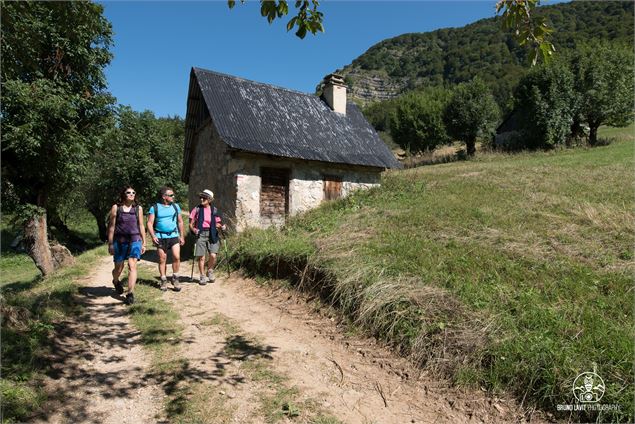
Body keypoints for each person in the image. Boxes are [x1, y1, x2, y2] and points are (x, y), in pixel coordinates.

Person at [107, 186, 146, 305]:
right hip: (119, 241)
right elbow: (112, 226)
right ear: (123, 194)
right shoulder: (116, 208)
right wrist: (110, 244)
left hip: (135, 240)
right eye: (128, 192)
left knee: (132, 265)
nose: (131, 194)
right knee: (119, 267)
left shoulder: (138, 208)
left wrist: (144, 242)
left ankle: (130, 293)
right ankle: (115, 280)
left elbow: (141, 225)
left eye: (133, 192)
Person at [147, 186, 185, 292]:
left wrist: (181, 236)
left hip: (173, 235)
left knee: (176, 257)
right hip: (160, 236)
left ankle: (175, 278)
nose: (173, 196)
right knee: (162, 259)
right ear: (164, 197)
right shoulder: (155, 207)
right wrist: (153, 236)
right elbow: (149, 223)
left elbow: (180, 222)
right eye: (171, 195)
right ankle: (163, 279)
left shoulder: (176, 206)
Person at [189, 189, 226, 285]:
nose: (201, 199)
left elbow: (217, 222)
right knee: (201, 257)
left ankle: (209, 270)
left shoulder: (214, 210)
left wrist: (222, 226)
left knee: (213, 255)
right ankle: (202, 276)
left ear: (209, 199)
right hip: (201, 234)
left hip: (212, 234)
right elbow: (191, 224)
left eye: (204, 198)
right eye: (201, 197)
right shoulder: (196, 209)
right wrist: (194, 230)